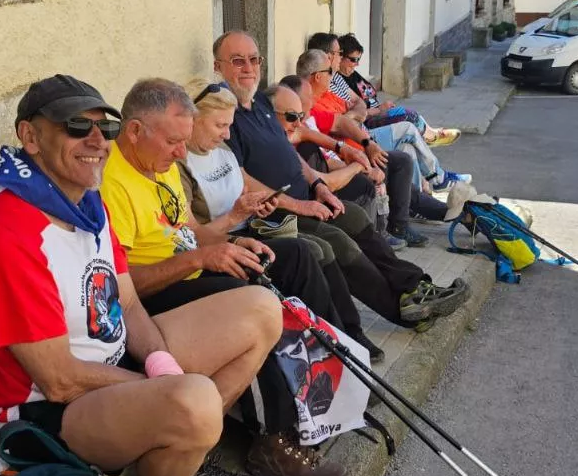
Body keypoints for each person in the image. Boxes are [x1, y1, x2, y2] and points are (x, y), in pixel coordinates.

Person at [0, 74, 277, 476]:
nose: (97, 141)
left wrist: (161, 363)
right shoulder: (1, 226)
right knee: (197, 401)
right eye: (77, 127)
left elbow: (124, 299)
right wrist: (168, 389)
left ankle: (177, 462)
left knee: (260, 309)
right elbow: (57, 379)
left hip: (108, 367)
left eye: (104, 127)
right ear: (30, 137)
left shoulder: (81, 198)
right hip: (46, 415)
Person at [100, 77, 349, 476]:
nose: (181, 153)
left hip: (190, 269)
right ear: (135, 131)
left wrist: (231, 238)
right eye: (173, 143)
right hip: (155, 300)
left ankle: (333, 365)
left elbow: (191, 230)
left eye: (184, 142)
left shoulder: (157, 164)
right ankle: (272, 438)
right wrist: (201, 257)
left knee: (294, 256)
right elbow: (122, 288)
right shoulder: (112, 183)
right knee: (254, 301)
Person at [214, 30, 471, 331]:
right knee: (339, 242)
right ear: (218, 66)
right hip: (275, 213)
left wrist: (318, 185)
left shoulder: (259, 102)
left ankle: (415, 288)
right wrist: (302, 202)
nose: (249, 67)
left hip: (307, 197)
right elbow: (241, 180)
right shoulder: (223, 115)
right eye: (237, 61)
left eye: (254, 59)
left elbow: (290, 147)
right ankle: (401, 313)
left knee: (355, 214)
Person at [175, 77, 386, 363]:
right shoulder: (180, 164)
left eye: (229, 125)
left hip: (250, 226)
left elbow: (245, 185)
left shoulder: (220, 149)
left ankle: (346, 336)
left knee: (325, 245)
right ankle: (335, 347)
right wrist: (238, 215)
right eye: (220, 125)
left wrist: (262, 202)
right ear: (193, 120)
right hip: (226, 241)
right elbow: (195, 236)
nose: (227, 135)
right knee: (309, 251)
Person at [294, 50, 443, 247]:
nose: (334, 72)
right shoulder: (308, 110)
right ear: (317, 76)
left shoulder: (324, 97)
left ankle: (404, 223)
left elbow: (351, 114)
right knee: (401, 144)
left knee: (402, 159)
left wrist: (367, 145)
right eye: (330, 70)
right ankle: (380, 235)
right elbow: (325, 162)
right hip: (342, 168)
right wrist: (360, 163)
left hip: (358, 151)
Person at [335, 33, 460, 146]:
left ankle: (431, 133)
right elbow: (354, 112)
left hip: (378, 112)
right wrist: (379, 109)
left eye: (358, 59)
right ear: (340, 57)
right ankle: (431, 137)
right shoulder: (338, 81)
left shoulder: (352, 74)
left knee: (407, 114)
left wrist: (382, 107)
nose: (357, 64)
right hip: (368, 121)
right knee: (407, 116)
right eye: (353, 60)